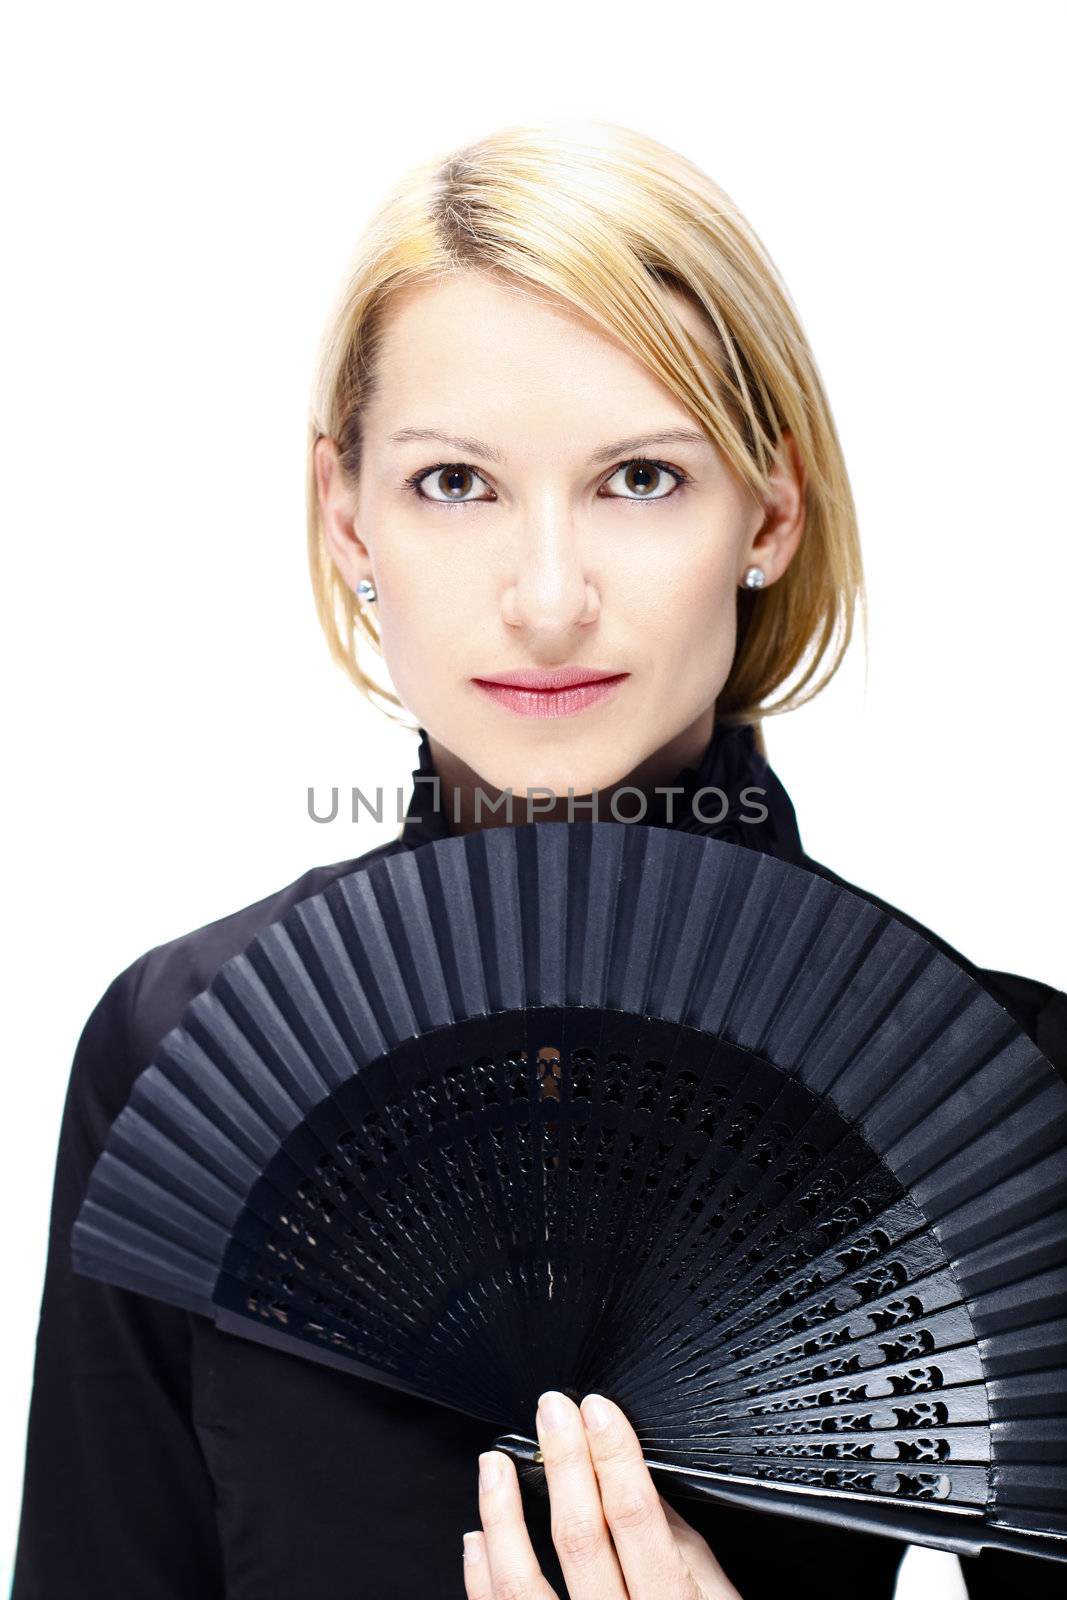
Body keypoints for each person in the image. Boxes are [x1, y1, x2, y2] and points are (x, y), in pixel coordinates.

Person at [11, 118, 1066, 1600]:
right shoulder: (174, 1048)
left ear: (769, 509)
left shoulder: (988, 1087)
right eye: (456, 483)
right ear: (346, 512)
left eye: (641, 479)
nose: (550, 595)